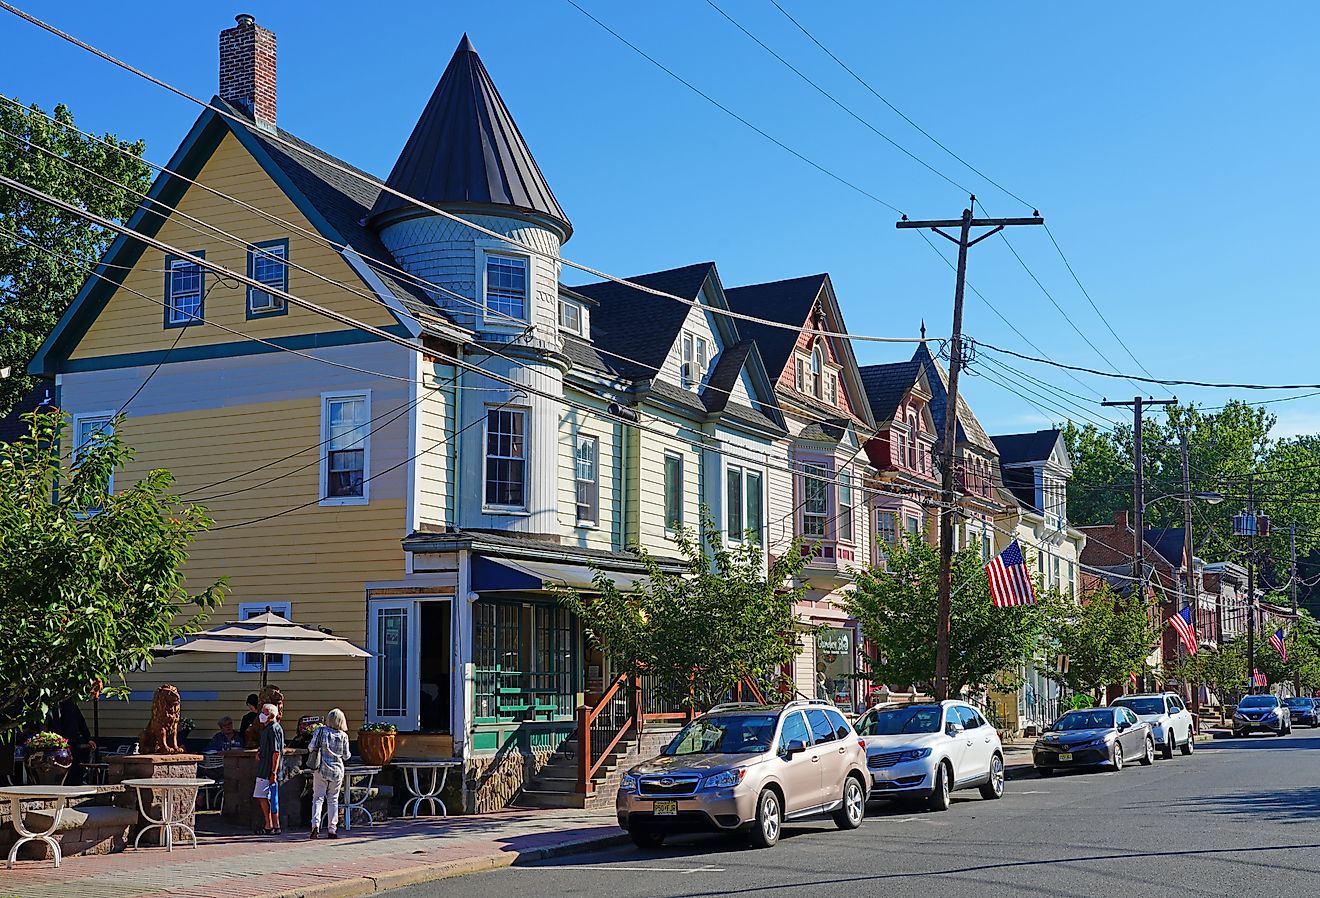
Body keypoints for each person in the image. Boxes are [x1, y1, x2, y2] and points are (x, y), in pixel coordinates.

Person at [307, 709, 352, 839]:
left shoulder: (320, 731)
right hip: (337, 771)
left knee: (318, 798)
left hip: (321, 768)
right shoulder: (343, 736)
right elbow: (346, 755)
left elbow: (311, 747)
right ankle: (332, 829)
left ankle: (315, 825)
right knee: (333, 800)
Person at [253, 703, 284, 835]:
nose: (261, 715)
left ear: (271, 715)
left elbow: (276, 752)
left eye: (264, 713)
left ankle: (270, 824)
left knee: (264, 796)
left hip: (267, 770)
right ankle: (274, 824)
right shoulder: (267, 729)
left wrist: (273, 772)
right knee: (266, 796)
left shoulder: (274, 729)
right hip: (264, 767)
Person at [49, 698, 95, 786]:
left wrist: (88, 738)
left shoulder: (70, 703)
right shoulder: (53, 705)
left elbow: (80, 721)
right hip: (58, 743)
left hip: (72, 741)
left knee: (75, 766)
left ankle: (74, 784)